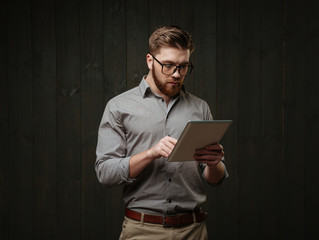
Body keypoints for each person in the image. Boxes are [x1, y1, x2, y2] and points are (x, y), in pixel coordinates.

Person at [95, 25, 228, 240]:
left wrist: (215, 163)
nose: (176, 74)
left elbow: (214, 178)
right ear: (150, 61)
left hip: (193, 231)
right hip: (142, 231)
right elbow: (105, 173)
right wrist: (151, 153)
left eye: (183, 66)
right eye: (168, 66)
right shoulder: (118, 107)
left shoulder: (200, 108)